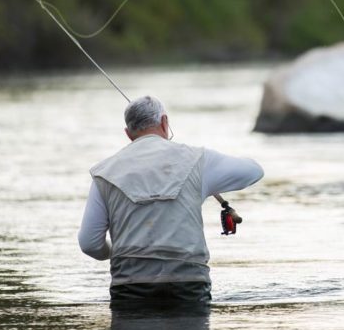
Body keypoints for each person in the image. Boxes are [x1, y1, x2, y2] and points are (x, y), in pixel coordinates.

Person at [78, 95, 263, 306]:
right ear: (165, 123)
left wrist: (117, 251)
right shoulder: (198, 160)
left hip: (129, 286)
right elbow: (254, 171)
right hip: (189, 283)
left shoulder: (103, 173)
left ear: (128, 134)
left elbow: (89, 244)